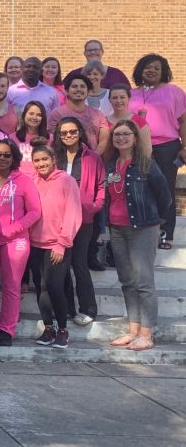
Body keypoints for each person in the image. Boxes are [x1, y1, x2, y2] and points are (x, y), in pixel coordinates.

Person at [106, 120, 171, 352]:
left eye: (126, 134)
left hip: (142, 228)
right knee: (126, 281)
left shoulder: (146, 164)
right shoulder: (111, 165)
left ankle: (147, 333)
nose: (121, 138)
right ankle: (133, 330)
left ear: (135, 138)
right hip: (116, 228)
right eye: (117, 134)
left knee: (143, 282)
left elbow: (164, 196)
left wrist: (157, 222)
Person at [0, 139, 42, 346]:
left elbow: (34, 212)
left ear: (14, 157)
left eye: (6, 155)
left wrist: (12, 230)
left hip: (16, 240)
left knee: (11, 286)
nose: (2, 158)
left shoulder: (24, 181)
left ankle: (6, 329)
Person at [128, 54, 186, 249]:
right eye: (147, 67)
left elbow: (183, 122)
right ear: (140, 70)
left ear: (163, 72)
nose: (151, 70)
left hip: (166, 146)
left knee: (165, 188)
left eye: (156, 68)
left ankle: (166, 234)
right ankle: (144, 232)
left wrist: (185, 147)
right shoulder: (131, 93)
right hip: (136, 146)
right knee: (139, 188)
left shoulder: (174, 92)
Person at [52, 117, 105, 327]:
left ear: (80, 132)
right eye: (63, 132)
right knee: (62, 263)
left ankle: (88, 308)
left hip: (84, 217)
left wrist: (95, 205)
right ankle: (66, 309)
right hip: (58, 217)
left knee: (79, 263)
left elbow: (101, 185)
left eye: (72, 131)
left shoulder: (92, 157)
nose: (68, 136)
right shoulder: (54, 156)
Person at [29, 145, 82, 349]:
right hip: (35, 244)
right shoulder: (32, 182)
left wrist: (62, 243)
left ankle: (63, 330)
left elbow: (73, 213)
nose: (41, 164)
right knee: (41, 287)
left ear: (53, 160)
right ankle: (48, 328)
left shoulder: (66, 181)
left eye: (44, 159)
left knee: (54, 286)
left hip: (57, 245)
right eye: (37, 161)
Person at [47, 74, 110, 152]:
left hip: (93, 160)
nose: (79, 89)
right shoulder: (57, 114)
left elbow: (103, 142)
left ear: (89, 92)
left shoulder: (99, 115)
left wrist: (93, 158)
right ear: (66, 91)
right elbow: (54, 141)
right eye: (74, 86)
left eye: (82, 87)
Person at [106, 84, 151, 159]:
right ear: (109, 100)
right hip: (109, 165)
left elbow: (146, 149)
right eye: (115, 98)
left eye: (122, 97)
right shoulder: (103, 121)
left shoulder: (139, 121)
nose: (118, 101)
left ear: (129, 99)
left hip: (134, 165)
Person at [64, 39, 130, 89]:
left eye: (96, 50)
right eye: (89, 50)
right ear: (85, 53)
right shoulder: (75, 74)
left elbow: (128, 94)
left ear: (102, 52)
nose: (93, 52)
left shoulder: (116, 74)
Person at [11, 101, 50, 175]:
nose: (34, 117)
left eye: (39, 115)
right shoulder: (13, 137)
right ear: (24, 115)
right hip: (20, 179)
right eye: (31, 114)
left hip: (42, 180)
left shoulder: (50, 138)